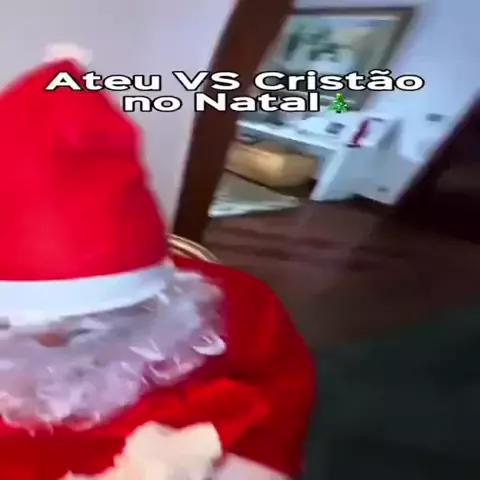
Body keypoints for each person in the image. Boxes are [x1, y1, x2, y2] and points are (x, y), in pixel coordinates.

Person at [0, 46, 315, 479]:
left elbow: (281, 404)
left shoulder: (243, 307)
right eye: (14, 324)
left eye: (86, 323)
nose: (52, 340)